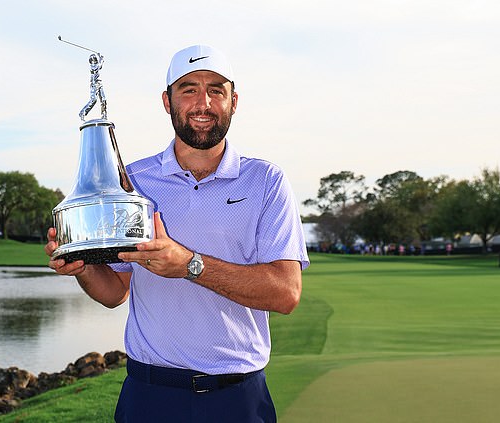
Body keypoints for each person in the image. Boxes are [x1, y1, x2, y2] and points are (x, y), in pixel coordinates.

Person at [46, 44, 310, 422]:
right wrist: (83, 267)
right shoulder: (131, 182)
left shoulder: (266, 181)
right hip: (150, 396)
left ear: (234, 101)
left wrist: (189, 264)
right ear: (167, 102)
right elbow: (115, 293)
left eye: (215, 90)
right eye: (188, 89)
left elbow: (286, 294)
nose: (203, 103)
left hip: (237, 398)